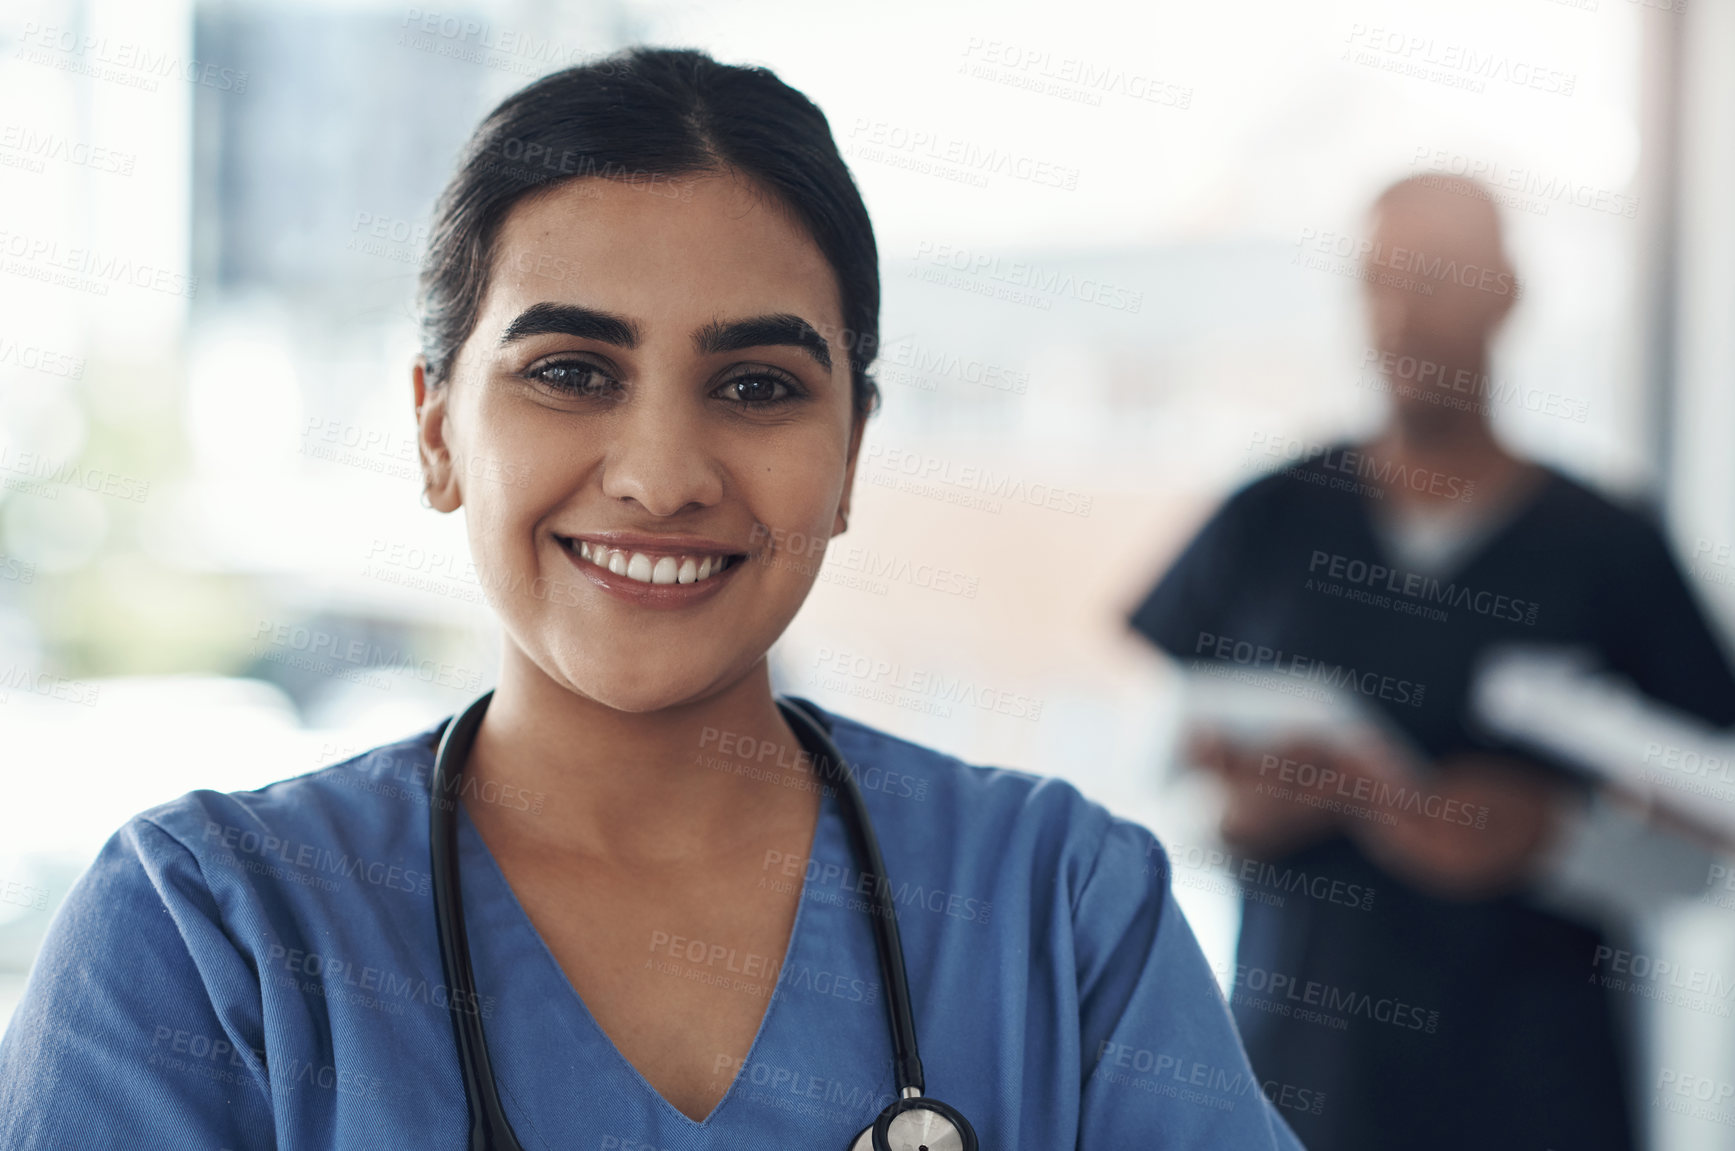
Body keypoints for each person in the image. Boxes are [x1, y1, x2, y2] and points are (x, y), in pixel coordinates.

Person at [0, 48, 1304, 1149]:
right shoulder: (212, 928)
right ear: (435, 429)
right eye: (569, 369)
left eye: (755, 385)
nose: (662, 476)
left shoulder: (1056, 906)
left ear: (848, 453)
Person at [1128, 173, 1735, 1151]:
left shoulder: (1606, 546)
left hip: (1537, 1091)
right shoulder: (1273, 517)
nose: (1406, 315)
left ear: (1507, 294)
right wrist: (1243, 814)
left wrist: (1554, 835)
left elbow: (1705, 856)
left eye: (1440, 279)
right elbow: (1160, 790)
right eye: (1381, 280)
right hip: (1291, 1089)